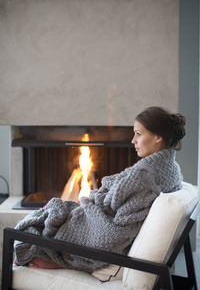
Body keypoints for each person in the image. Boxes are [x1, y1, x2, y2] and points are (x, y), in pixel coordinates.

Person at [14, 106, 186, 272]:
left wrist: (93, 202)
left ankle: (60, 261)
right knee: (51, 214)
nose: (133, 140)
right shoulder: (172, 170)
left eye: (139, 134)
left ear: (158, 137)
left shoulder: (143, 175)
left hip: (104, 232)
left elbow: (113, 223)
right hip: (112, 224)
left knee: (34, 230)